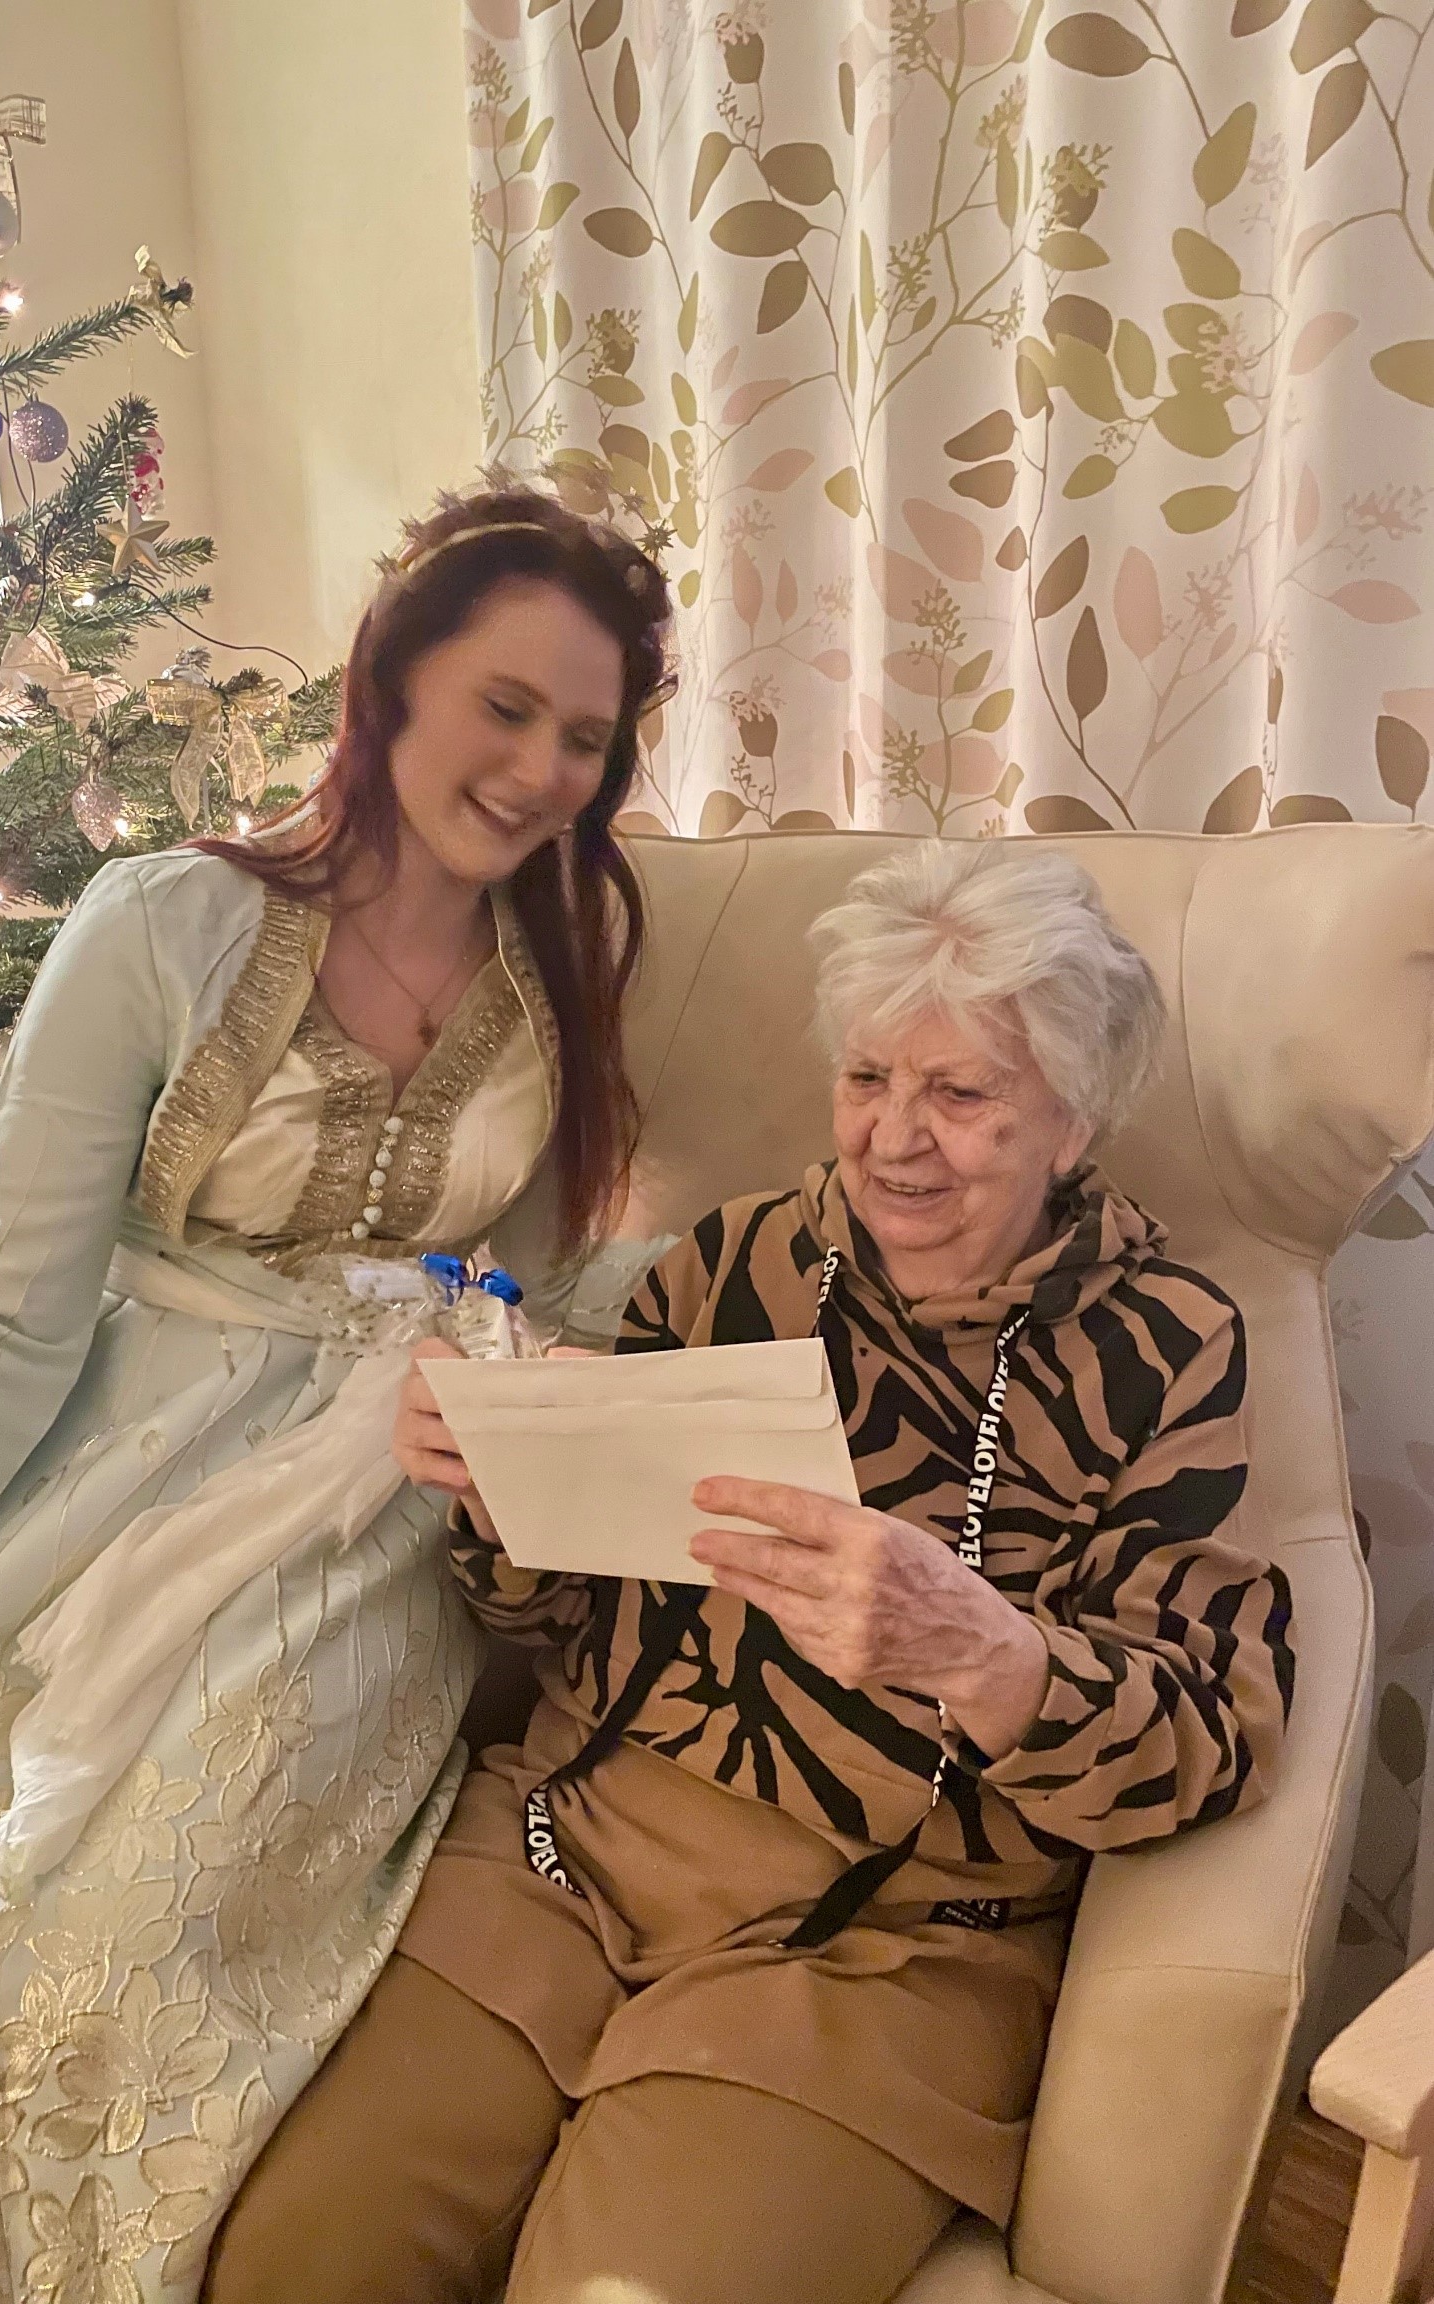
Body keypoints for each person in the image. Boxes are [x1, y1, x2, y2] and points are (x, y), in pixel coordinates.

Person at [0, 484, 673, 2304]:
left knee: (110, 1977)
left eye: (584, 736)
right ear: (392, 676)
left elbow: (541, 1285)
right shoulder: (166, 923)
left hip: (367, 1517)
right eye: (507, 706)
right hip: (92, 1486)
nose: (544, 770)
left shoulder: (569, 962)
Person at [206, 840, 1296, 2304]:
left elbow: (1209, 1739)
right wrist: (505, 1479)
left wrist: (979, 1648)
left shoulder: (1168, 1347)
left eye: (962, 1093)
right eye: (868, 1078)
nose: (894, 1140)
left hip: (892, 1943)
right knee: (293, 2262)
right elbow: (543, 1616)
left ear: (1073, 1121)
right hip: (565, 1847)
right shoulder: (733, 1264)